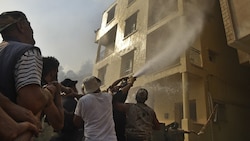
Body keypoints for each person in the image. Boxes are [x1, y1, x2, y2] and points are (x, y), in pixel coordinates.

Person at [0, 11, 63, 139]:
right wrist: (48, 93)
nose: (32, 30)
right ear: (21, 26)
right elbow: (32, 103)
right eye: (29, 24)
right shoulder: (27, 52)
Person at [73, 76, 117, 141]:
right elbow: (110, 93)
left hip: (92, 138)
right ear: (98, 85)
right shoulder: (108, 97)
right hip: (110, 138)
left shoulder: (83, 100)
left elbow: (76, 122)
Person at [108, 76, 136, 141]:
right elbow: (126, 88)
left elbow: (111, 87)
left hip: (112, 120)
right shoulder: (116, 96)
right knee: (120, 136)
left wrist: (121, 79)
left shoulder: (109, 96)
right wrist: (130, 82)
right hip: (119, 119)